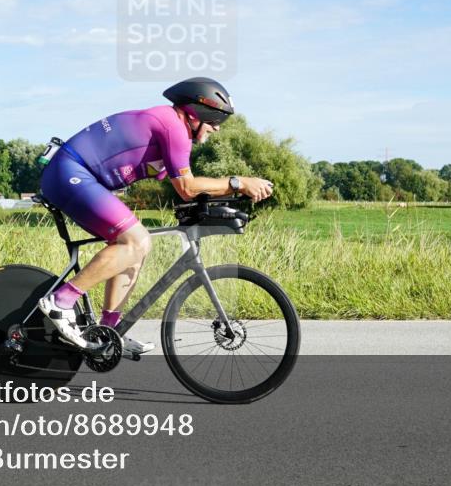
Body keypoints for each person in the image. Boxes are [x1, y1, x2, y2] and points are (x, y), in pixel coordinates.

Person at [37, 77, 274, 355]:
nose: (216, 128)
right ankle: (60, 302)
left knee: (134, 248)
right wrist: (239, 183)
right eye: (214, 120)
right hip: (70, 172)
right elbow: (187, 188)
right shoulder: (172, 126)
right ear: (198, 112)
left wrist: (224, 195)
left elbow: (187, 187)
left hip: (82, 176)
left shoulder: (172, 126)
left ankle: (109, 332)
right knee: (137, 241)